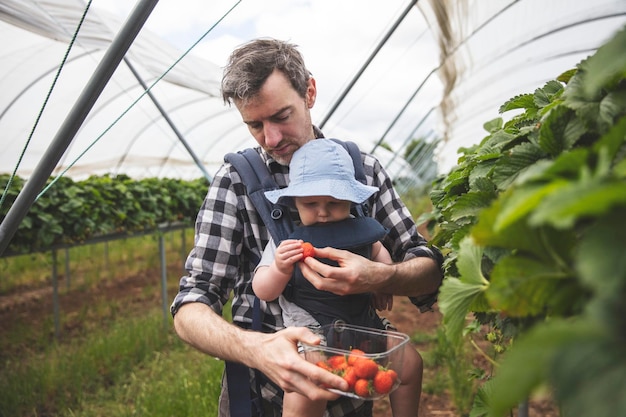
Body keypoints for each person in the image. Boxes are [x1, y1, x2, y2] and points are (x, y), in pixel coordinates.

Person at [171, 37, 443, 417]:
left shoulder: (362, 171)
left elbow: (427, 269)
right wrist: (258, 349)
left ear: (309, 92)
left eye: (281, 116)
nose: (271, 138)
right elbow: (190, 305)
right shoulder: (236, 181)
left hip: (352, 384)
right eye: (255, 125)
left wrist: (381, 277)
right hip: (262, 397)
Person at [253, 139, 423, 417]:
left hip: (364, 326)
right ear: (295, 202)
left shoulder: (363, 233)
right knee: (308, 386)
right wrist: (280, 269)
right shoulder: (287, 243)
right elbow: (263, 291)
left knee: (411, 364)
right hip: (312, 335)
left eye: (334, 203)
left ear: (352, 200)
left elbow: (380, 255)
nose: (322, 211)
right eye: (311, 203)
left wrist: (382, 279)